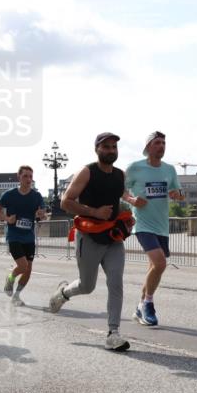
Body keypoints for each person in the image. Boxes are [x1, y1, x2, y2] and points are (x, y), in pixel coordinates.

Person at [48, 132, 144, 351]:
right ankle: (63, 293)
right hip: (89, 236)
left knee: (116, 282)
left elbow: (121, 197)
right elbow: (65, 202)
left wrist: (130, 208)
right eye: (106, 147)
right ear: (97, 149)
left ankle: (113, 333)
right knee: (87, 285)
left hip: (112, 237)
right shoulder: (86, 172)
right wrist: (94, 211)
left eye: (114, 147)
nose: (111, 150)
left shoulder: (120, 175)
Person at [124, 131, 184, 328]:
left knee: (153, 267)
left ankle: (140, 306)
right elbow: (120, 189)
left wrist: (177, 195)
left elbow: (178, 192)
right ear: (148, 146)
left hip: (162, 226)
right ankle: (148, 304)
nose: (161, 146)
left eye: (164, 143)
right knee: (160, 263)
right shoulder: (135, 168)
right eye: (157, 143)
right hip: (142, 224)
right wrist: (132, 200)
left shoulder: (169, 170)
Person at [0, 165, 47, 307]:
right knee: (22, 266)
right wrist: (7, 219)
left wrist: (41, 215)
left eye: (31, 176)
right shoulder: (10, 194)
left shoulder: (36, 196)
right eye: (25, 176)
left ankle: (16, 295)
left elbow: (42, 212)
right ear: (19, 177)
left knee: (28, 269)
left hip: (29, 237)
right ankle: (10, 278)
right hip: (14, 236)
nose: (29, 179)